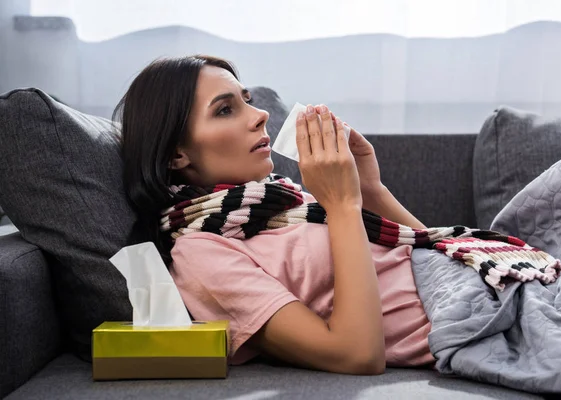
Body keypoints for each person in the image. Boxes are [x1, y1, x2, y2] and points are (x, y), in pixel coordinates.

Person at [114, 55, 455, 375]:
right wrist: (342, 206)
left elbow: (450, 255)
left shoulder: (281, 199)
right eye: (224, 110)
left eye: (246, 100)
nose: (260, 114)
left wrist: (372, 190)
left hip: (477, 278)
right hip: (471, 317)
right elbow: (356, 354)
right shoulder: (199, 254)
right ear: (177, 153)